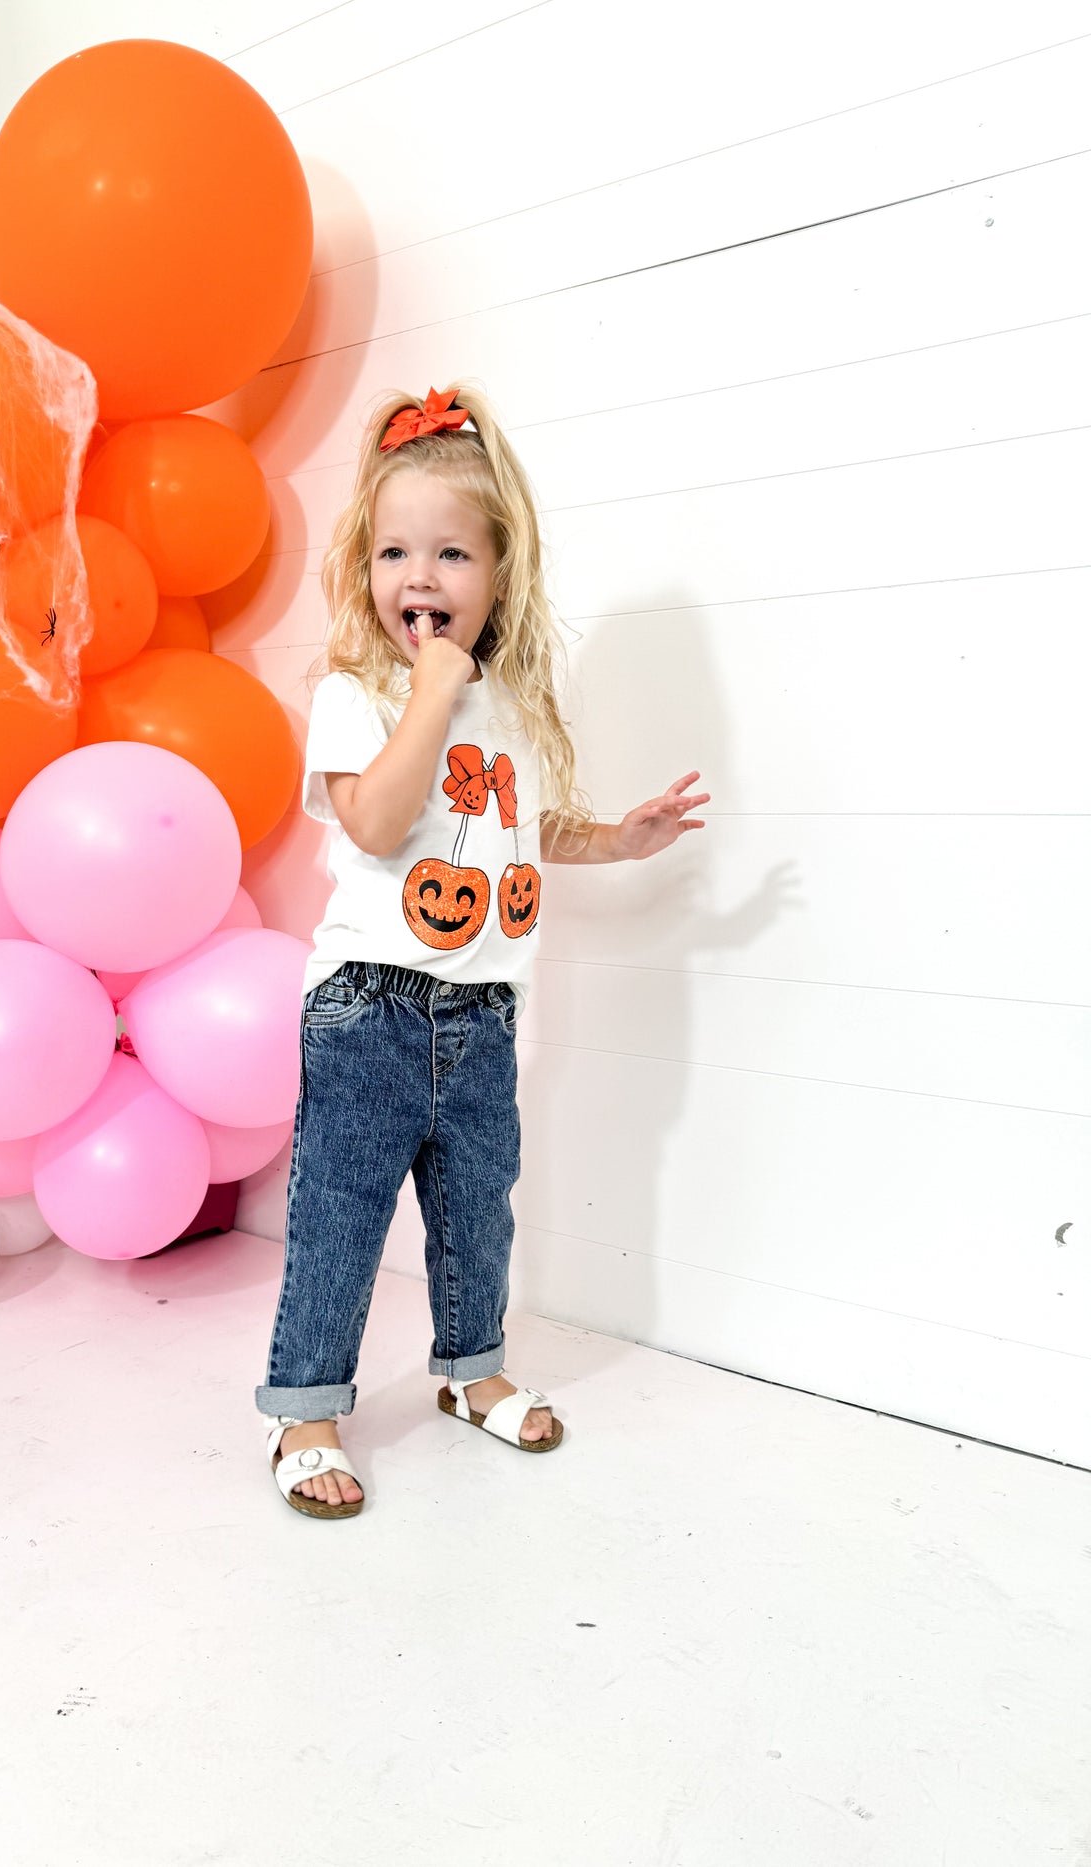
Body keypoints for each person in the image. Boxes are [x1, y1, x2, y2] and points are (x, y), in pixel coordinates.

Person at [256, 382, 709, 1518]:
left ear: (499, 574)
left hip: (484, 1008)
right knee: (341, 1208)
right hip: (371, 1004)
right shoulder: (359, 695)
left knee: (478, 1204)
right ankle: (306, 1410)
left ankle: (467, 1370)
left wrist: (615, 838)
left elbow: (511, 829)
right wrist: (432, 689)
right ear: (364, 565)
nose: (421, 576)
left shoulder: (505, 705)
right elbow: (374, 820)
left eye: (452, 553)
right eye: (396, 550)